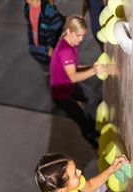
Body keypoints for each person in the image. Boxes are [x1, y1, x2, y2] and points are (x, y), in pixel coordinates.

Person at [49, 15, 116, 148]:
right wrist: (94, 71)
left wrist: (93, 66)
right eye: (78, 35)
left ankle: (92, 125)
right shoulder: (66, 50)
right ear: (69, 31)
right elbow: (73, 76)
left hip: (67, 85)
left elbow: (75, 68)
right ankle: (93, 141)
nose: (81, 39)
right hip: (62, 94)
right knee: (83, 121)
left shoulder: (69, 43)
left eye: (83, 36)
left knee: (94, 98)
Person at [24, 0, 65, 68]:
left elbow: (59, 26)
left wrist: (53, 46)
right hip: (38, 51)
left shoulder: (47, 10)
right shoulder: (27, 7)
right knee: (46, 71)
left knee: (55, 72)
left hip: (48, 52)